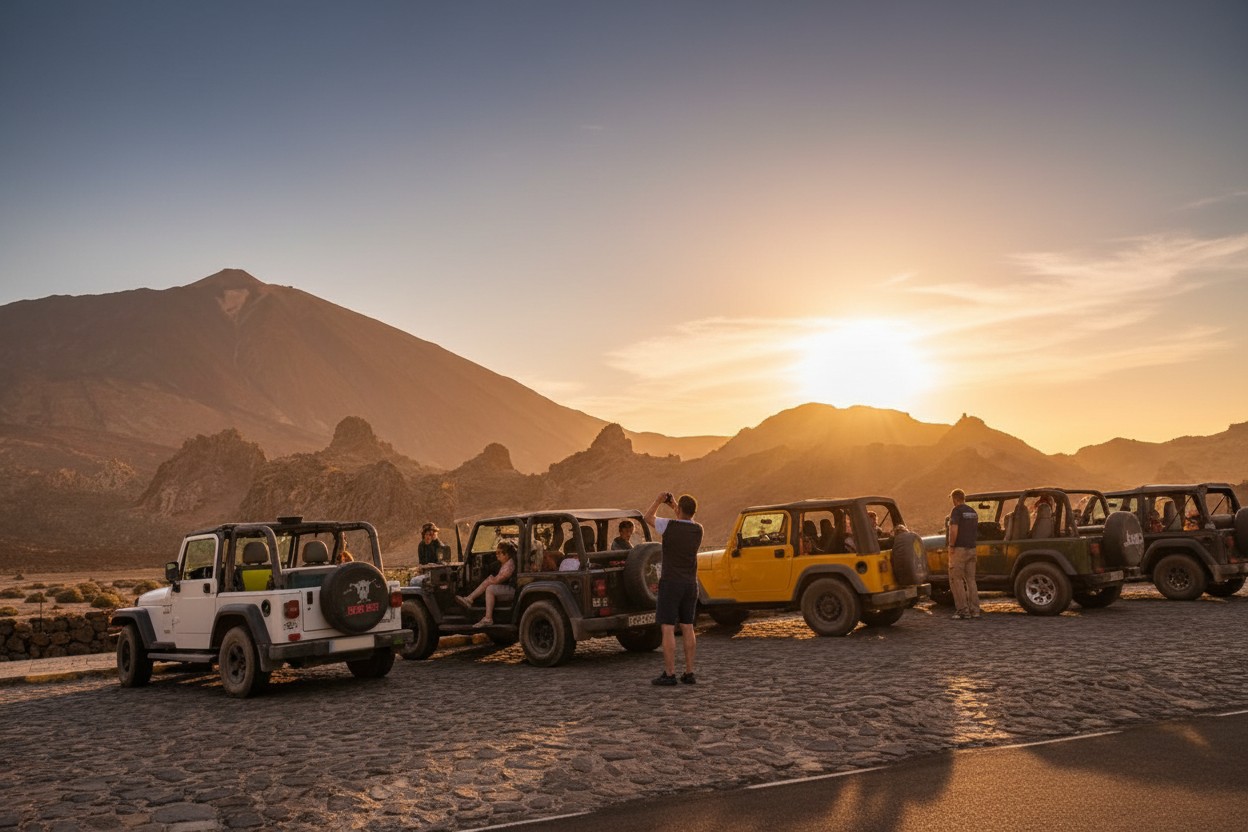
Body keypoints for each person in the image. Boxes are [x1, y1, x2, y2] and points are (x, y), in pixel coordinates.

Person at [643, 490, 703, 686]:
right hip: (690, 583)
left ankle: (669, 674)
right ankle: (689, 672)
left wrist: (659, 500)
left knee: (668, 627)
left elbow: (647, 518)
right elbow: (684, 517)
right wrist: (674, 504)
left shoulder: (669, 526)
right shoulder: (698, 529)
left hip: (671, 583)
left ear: (680, 510)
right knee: (688, 626)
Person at [455, 540, 516, 627]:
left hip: (513, 590)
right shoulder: (505, 563)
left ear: (506, 555)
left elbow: (498, 580)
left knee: (490, 589)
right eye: (496, 552)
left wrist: (489, 580)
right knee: (489, 583)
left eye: (499, 553)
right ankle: (470, 599)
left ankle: (488, 618)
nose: (496, 555)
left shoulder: (509, 565)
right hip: (510, 588)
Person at [947, 488, 981, 620]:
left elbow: (953, 530)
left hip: (959, 550)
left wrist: (951, 546)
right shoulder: (973, 512)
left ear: (955, 499)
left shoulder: (956, 511)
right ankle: (975, 610)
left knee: (956, 580)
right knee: (971, 580)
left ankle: (963, 611)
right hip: (972, 549)